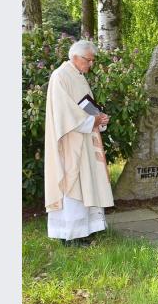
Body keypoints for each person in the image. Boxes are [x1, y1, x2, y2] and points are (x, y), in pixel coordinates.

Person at [44, 40, 113, 247]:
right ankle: (70, 234)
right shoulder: (61, 76)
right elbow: (64, 112)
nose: (90, 64)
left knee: (85, 185)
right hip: (70, 140)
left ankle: (85, 230)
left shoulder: (79, 77)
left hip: (83, 139)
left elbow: (86, 107)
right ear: (75, 56)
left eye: (92, 60)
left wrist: (99, 117)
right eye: (88, 60)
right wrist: (92, 120)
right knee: (72, 184)